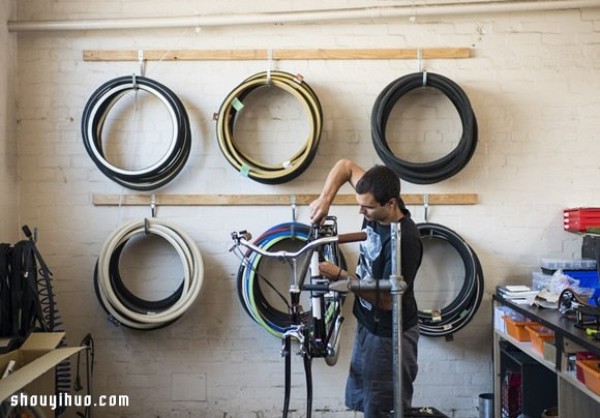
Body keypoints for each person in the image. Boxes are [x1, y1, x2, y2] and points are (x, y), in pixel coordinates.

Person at [309, 159, 423, 418]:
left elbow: (386, 302)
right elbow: (345, 166)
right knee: (366, 400)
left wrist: (341, 276)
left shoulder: (404, 241)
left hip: (389, 335)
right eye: (358, 204)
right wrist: (325, 200)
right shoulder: (375, 190)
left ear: (390, 203)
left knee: (383, 408)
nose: (361, 212)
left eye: (367, 208)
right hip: (368, 325)